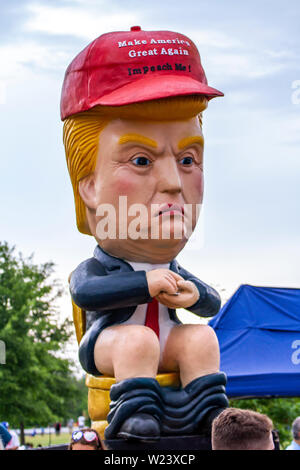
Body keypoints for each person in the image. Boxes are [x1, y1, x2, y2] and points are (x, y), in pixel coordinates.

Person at [61, 25, 228, 441]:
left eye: (188, 159)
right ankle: (134, 419)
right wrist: (144, 283)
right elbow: (85, 294)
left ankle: (209, 415)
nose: (173, 182)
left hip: (166, 339)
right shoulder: (99, 265)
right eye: (140, 160)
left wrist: (196, 294)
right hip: (110, 344)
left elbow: (211, 304)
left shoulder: (171, 266)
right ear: (89, 185)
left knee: (200, 339)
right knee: (136, 341)